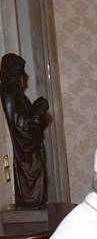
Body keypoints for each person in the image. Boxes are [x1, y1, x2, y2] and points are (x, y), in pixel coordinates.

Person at [0, 53, 50, 209]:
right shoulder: (7, 92)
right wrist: (35, 114)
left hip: (31, 141)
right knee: (31, 173)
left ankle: (34, 203)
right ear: (11, 72)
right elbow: (17, 122)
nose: (23, 76)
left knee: (38, 171)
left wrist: (36, 107)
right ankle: (30, 204)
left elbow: (23, 114)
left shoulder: (16, 91)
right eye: (19, 72)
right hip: (25, 147)